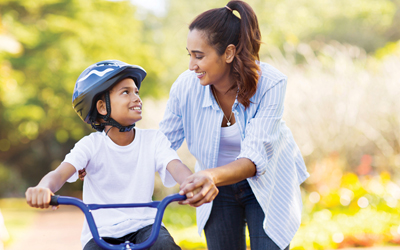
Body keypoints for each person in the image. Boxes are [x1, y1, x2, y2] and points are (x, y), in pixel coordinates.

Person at [159, 1, 310, 249]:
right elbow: (161, 145)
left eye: (199, 56)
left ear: (228, 53)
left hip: (267, 183)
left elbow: (254, 159)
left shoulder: (271, 84)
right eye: (189, 55)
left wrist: (208, 176)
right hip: (216, 188)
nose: (191, 65)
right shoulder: (185, 87)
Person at [25, 60, 198, 250]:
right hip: (101, 232)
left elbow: (176, 166)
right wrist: (43, 188)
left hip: (145, 226)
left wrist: (192, 184)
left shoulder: (154, 140)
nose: (136, 98)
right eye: (126, 92)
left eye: (136, 92)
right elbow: (59, 174)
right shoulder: (90, 145)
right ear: (102, 107)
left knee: (165, 245)